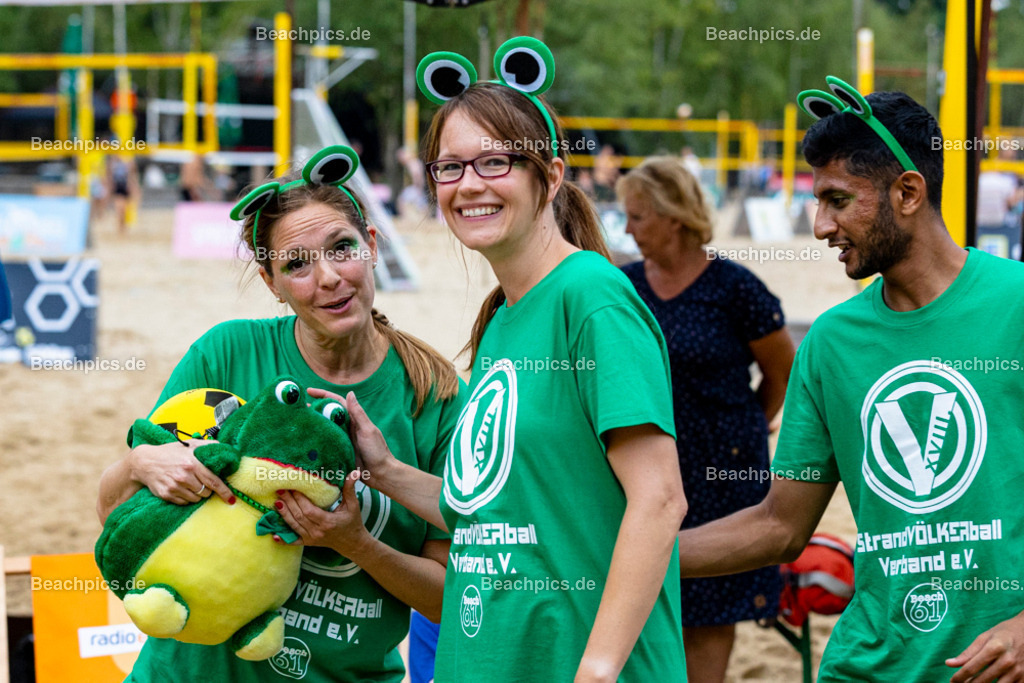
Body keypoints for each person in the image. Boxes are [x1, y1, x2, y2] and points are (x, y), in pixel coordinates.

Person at [337, 39, 688, 681]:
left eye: (495, 162)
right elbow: (493, 513)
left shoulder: (590, 296)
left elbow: (660, 499)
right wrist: (386, 470)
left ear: (551, 176)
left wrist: (599, 668)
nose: (469, 185)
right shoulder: (500, 318)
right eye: (450, 167)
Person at [678, 79, 1024, 683]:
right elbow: (779, 526)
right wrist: (628, 557)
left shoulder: (1014, 304)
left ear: (908, 192)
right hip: (868, 667)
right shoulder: (831, 344)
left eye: (838, 200)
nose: (819, 226)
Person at [96, 145, 464, 682]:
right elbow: (113, 516)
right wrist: (137, 466)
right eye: (297, 264)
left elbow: (455, 604)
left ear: (373, 246)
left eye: (342, 248)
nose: (329, 278)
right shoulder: (225, 355)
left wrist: (353, 543)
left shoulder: (436, 397)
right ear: (271, 282)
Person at [617, 157, 795, 683]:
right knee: (644, 597)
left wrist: (750, 429)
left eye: (639, 217)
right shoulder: (621, 287)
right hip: (645, 468)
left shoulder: (735, 288)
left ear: (674, 216)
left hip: (725, 472)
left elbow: (782, 371)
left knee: (711, 617)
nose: (627, 228)